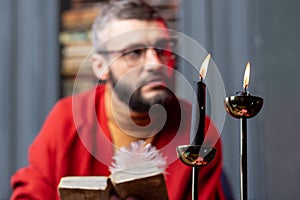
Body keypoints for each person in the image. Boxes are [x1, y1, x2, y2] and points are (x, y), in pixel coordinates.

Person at [11, 0, 231, 199]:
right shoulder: (66, 120)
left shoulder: (198, 130)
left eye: (162, 50)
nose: (156, 64)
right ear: (100, 66)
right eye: (134, 53)